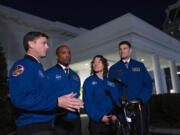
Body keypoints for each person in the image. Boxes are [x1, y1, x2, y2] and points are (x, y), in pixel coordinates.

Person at [9, 32, 83, 135]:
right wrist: (56, 101)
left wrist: (63, 100)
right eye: (43, 43)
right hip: (33, 126)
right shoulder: (22, 66)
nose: (47, 46)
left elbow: (43, 95)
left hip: (45, 124)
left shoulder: (38, 67)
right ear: (31, 44)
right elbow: (21, 99)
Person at [109, 41, 153, 135]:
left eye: (125, 48)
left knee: (142, 131)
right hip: (123, 108)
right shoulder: (114, 68)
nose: (122, 51)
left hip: (139, 105)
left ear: (130, 50)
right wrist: (120, 103)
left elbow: (148, 84)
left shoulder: (139, 66)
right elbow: (111, 89)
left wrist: (141, 99)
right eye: (120, 49)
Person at [46, 45, 81, 135]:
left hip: (75, 118)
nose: (67, 55)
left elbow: (76, 94)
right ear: (57, 56)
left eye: (69, 53)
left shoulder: (75, 75)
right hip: (58, 118)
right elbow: (46, 96)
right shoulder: (49, 74)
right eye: (63, 53)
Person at [83, 55, 121, 135]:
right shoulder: (88, 81)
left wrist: (116, 115)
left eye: (99, 62)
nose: (95, 64)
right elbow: (87, 103)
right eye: (94, 62)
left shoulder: (110, 82)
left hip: (112, 122)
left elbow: (117, 101)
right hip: (97, 123)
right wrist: (100, 117)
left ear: (104, 65)